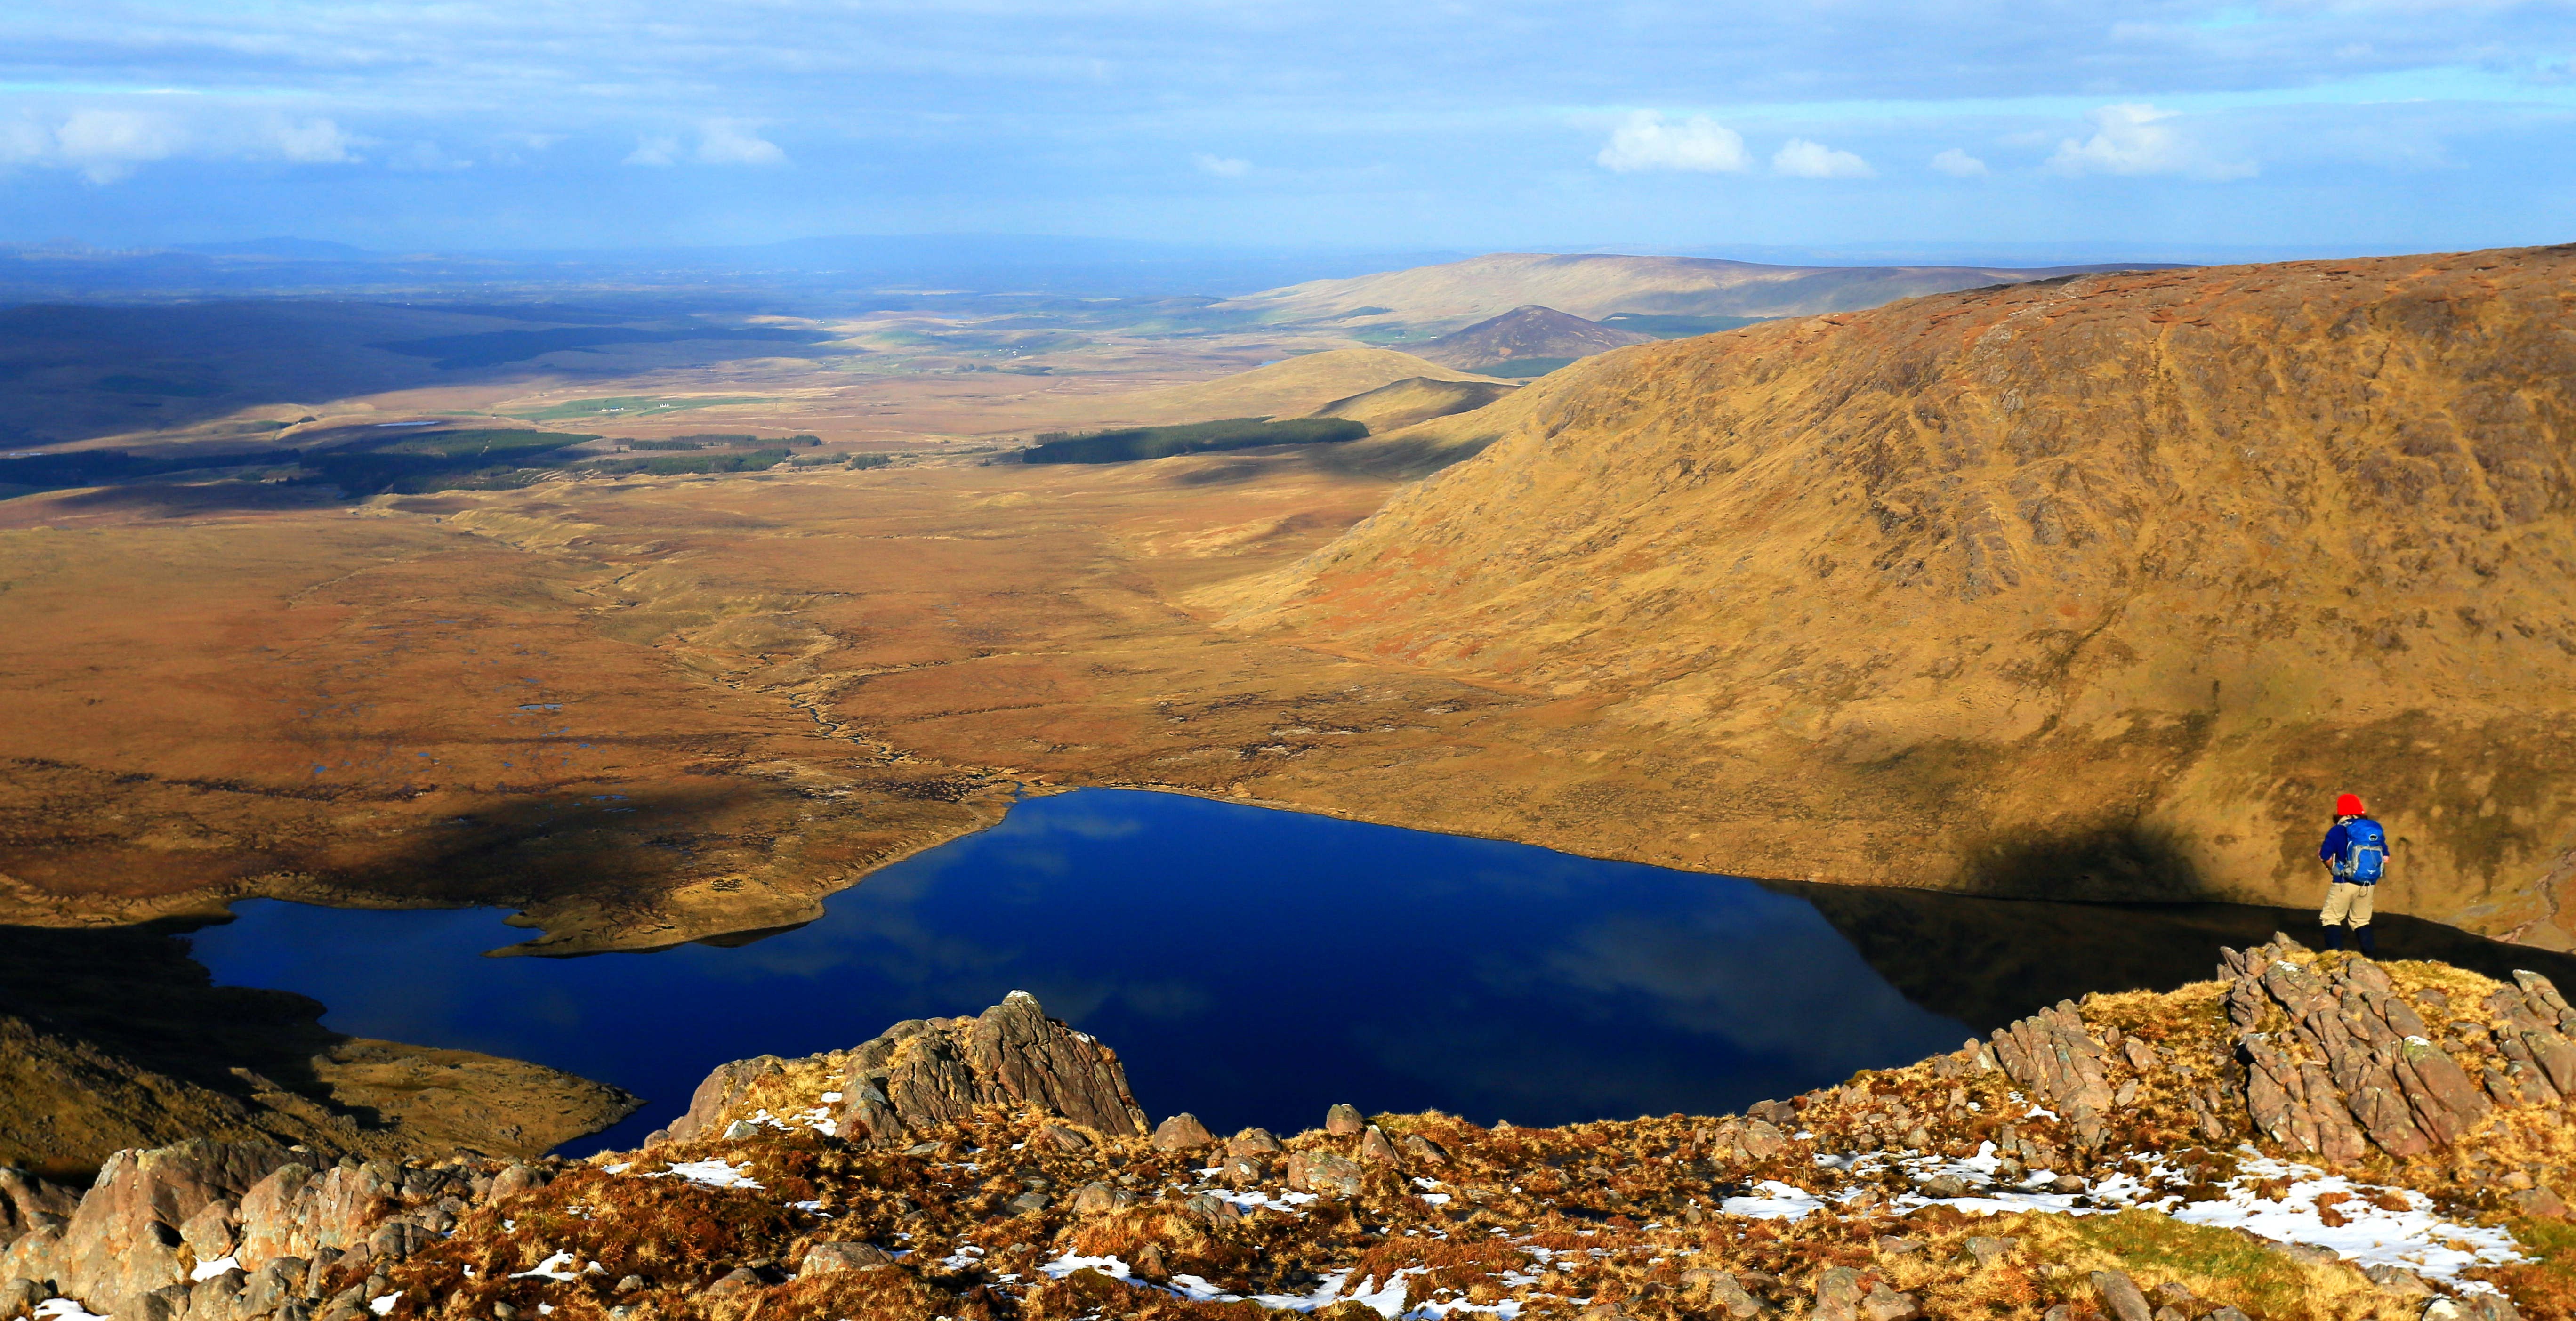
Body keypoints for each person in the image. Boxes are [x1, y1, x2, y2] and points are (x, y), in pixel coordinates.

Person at [2318, 792, 2388, 955]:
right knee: (2361, 921)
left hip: (2344, 882)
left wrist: (2332, 868)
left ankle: (2334, 958)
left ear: (2339, 812)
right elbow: (2385, 858)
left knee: (2331, 918)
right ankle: (2371, 959)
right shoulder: (2373, 830)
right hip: (2368, 883)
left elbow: (2325, 855)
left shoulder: (2337, 830)